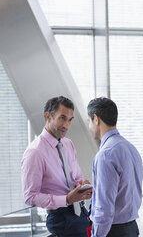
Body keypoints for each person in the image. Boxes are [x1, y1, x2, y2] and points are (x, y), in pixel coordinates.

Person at [21, 96, 92, 237]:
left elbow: (76, 178)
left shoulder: (68, 144)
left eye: (70, 120)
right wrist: (66, 200)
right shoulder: (35, 152)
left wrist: (82, 185)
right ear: (48, 116)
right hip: (61, 219)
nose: (66, 125)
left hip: (82, 215)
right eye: (62, 118)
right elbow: (30, 197)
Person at [87, 97, 143, 237]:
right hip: (131, 228)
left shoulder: (105, 155)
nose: (89, 126)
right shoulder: (130, 148)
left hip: (113, 231)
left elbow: (104, 209)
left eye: (89, 121)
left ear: (96, 119)